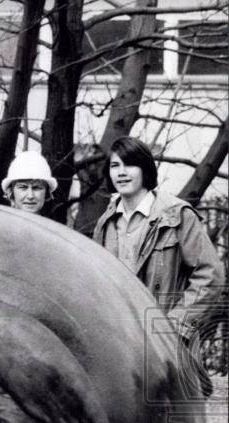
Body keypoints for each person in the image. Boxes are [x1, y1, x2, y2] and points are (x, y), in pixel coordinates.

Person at [92, 135, 224, 395]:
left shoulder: (177, 215)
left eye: (129, 165)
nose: (121, 173)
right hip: (118, 350)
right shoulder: (105, 223)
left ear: (145, 169)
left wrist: (173, 328)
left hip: (166, 352)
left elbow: (211, 276)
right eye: (114, 166)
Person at [1, 151, 56, 215]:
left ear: (47, 194)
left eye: (37, 188)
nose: (30, 196)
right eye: (23, 187)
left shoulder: (53, 225)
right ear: (11, 193)